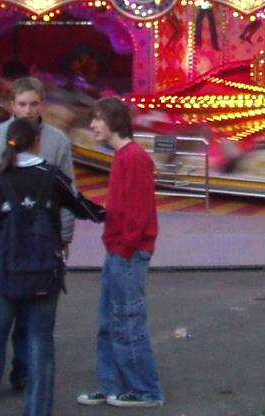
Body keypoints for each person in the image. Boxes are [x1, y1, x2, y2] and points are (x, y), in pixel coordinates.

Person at [0, 118, 104, 416]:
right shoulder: (51, 177)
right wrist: (111, 214)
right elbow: (81, 207)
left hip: (3, 273)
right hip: (44, 271)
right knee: (40, 343)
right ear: (37, 142)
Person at [0, 77, 77, 394]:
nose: (28, 110)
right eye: (22, 104)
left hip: (41, 243)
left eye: (34, 104)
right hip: (1, 244)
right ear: (11, 105)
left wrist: (65, 235)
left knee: (31, 318)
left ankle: (25, 374)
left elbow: (68, 192)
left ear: (42, 104)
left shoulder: (57, 142)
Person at [77, 97, 164, 408]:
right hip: (119, 249)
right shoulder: (126, 156)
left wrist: (124, 246)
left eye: (97, 119)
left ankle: (146, 390)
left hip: (126, 252)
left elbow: (138, 212)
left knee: (127, 321)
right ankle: (112, 384)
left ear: (113, 121)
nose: (92, 125)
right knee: (111, 322)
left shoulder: (134, 158)